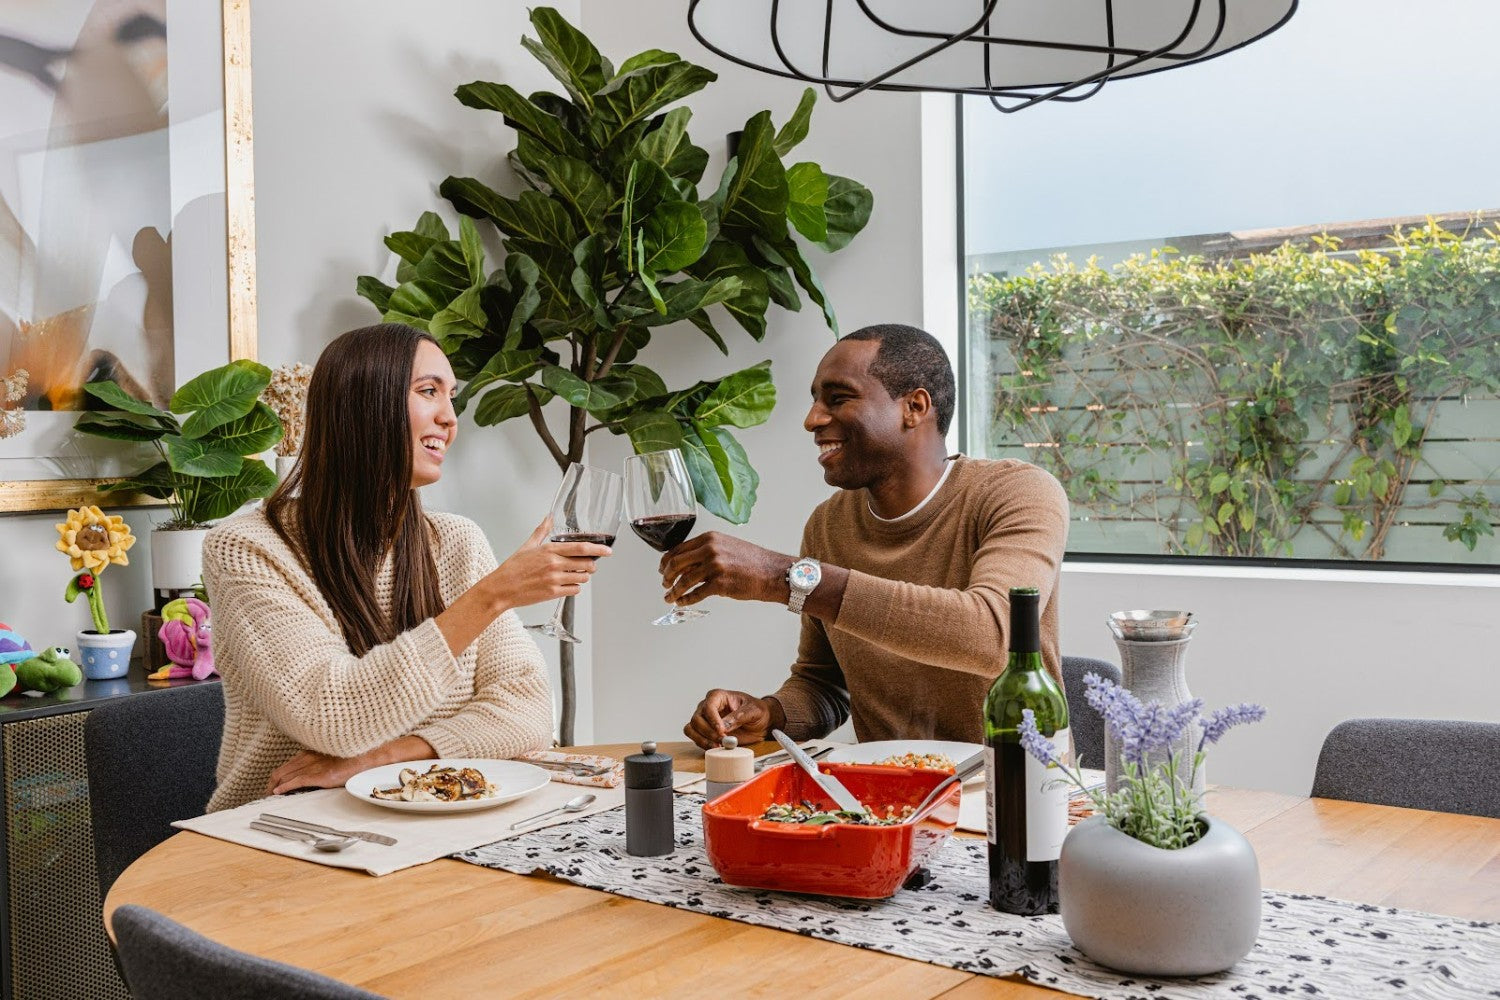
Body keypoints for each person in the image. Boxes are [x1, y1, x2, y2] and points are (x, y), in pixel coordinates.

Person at [203, 323, 611, 811]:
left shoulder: (455, 541)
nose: (450, 417)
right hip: (281, 828)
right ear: (362, 407)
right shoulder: (249, 549)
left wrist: (381, 758)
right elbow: (329, 714)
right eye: (428, 391)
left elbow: (527, 712)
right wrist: (491, 596)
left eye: (451, 396)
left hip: (431, 823)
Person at [668, 324, 1069, 750]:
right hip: (885, 798)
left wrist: (784, 578)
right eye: (815, 401)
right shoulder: (828, 524)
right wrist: (769, 713)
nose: (812, 419)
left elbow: (992, 635)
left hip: (1012, 794)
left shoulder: (1016, 493)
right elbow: (823, 682)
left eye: (838, 398)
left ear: (914, 407)